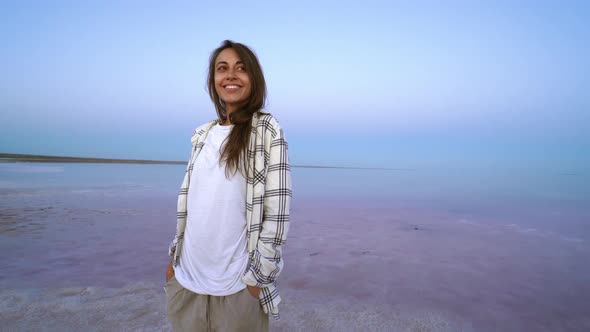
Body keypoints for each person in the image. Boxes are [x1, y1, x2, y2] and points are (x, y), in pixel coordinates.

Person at [164, 40, 292, 331]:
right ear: (213, 80)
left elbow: (277, 212)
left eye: (241, 68)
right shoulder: (202, 134)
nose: (231, 75)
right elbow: (192, 205)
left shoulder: (266, 130)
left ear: (253, 79)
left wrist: (257, 280)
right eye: (222, 69)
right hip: (186, 281)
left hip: (237, 287)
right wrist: (173, 264)